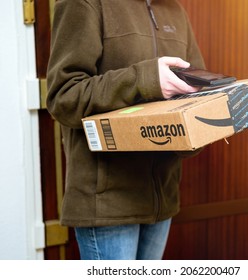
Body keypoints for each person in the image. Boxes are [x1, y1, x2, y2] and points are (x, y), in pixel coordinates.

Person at [46, 0, 205, 260]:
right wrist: (145, 79)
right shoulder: (83, 3)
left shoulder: (175, 10)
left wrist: (202, 126)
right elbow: (64, 97)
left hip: (162, 199)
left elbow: (197, 90)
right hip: (108, 204)